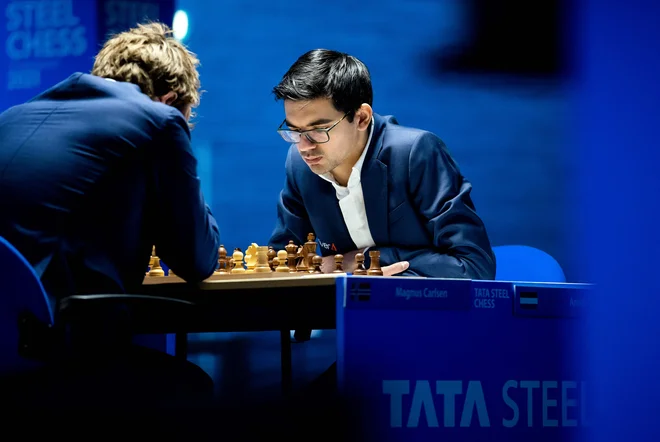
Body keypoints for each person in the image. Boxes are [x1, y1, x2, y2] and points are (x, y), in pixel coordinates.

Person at [0, 22, 219, 409]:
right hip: (57, 352)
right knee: (193, 388)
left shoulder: (11, 117)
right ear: (170, 101)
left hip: (10, 351)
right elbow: (197, 257)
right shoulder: (159, 121)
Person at [268, 49, 495, 280]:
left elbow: (474, 268)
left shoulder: (415, 154)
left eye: (318, 130)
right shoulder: (299, 166)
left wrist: (364, 260)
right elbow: (282, 267)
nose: (304, 147)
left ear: (361, 118)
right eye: (294, 131)